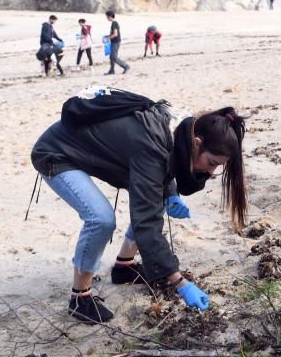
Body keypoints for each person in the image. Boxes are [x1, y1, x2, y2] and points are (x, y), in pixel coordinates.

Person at [30, 98, 248, 323]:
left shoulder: (179, 130)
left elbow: (166, 165)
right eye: (212, 163)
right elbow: (147, 222)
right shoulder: (152, 143)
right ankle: (80, 299)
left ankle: (124, 268)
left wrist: (171, 194)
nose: (211, 172)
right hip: (56, 153)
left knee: (158, 198)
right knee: (101, 218)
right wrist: (180, 283)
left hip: (84, 148)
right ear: (196, 143)